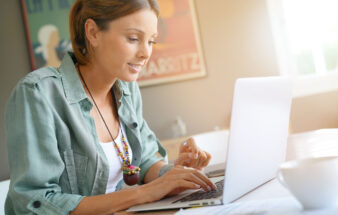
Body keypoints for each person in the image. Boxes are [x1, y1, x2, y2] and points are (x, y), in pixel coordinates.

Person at [5, 0, 215, 214]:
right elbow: (33, 203)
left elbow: (146, 160)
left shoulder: (126, 88)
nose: (145, 53)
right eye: (133, 38)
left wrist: (178, 175)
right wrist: (144, 193)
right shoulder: (38, 93)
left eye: (151, 41)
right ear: (93, 33)